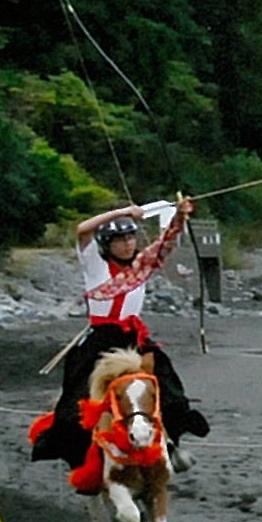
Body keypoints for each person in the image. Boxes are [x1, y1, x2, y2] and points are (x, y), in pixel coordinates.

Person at [29, 197, 210, 471]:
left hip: (134, 339)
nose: (127, 244)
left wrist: (181, 216)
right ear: (107, 245)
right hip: (101, 339)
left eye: (130, 238)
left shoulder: (142, 264)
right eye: (119, 240)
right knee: (73, 404)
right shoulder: (95, 263)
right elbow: (83, 229)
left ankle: (171, 445)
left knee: (171, 392)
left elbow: (167, 242)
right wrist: (125, 211)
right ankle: (80, 460)